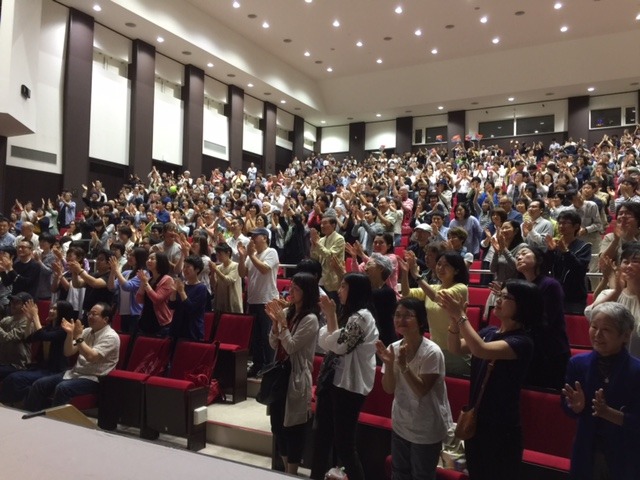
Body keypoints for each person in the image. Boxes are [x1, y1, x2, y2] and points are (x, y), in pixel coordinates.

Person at [440, 279, 541, 480]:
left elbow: (481, 350)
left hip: (501, 427)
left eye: (506, 297)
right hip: (477, 422)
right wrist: (453, 320)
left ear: (523, 305)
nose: (498, 300)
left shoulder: (522, 341)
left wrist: (461, 316)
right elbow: (455, 348)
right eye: (499, 295)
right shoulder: (489, 332)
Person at [310, 273, 379, 480]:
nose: (339, 291)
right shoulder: (348, 313)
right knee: (322, 438)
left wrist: (331, 317)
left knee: (344, 445)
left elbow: (339, 345)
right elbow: (325, 340)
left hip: (350, 386)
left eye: (343, 287)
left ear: (355, 290)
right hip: (333, 381)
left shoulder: (362, 317)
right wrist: (332, 320)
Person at [376, 297, 453, 480]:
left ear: (421, 321)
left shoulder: (432, 352)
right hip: (401, 423)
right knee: (399, 473)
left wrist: (403, 366)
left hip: (427, 426)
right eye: (397, 315)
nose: (401, 320)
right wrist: (389, 365)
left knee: (422, 475)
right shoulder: (393, 348)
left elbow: (421, 391)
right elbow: (388, 389)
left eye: (408, 315)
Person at [563, 302, 640, 480]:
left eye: (606, 330)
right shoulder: (578, 364)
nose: (597, 335)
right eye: (594, 327)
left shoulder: (636, 371)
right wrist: (575, 407)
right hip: (586, 451)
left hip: (625, 454)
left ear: (625, 335)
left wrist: (609, 414)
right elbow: (567, 405)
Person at [264, 273, 320, 475]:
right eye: (291, 286)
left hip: (296, 376)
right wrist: (275, 324)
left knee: (293, 428)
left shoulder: (311, 319)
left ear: (307, 292)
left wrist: (283, 325)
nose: (291, 291)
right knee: (277, 426)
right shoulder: (288, 312)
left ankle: (292, 473)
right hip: (280, 373)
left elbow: (291, 346)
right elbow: (274, 344)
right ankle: (286, 470)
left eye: (296, 288)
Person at [24, 302, 120, 411]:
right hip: (76, 373)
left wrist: (78, 337)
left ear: (105, 319)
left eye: (94, 314)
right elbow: (68, 352)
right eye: (89, 313)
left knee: (63, 388)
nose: (89, 316)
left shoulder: (111, 337)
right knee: (40, 384)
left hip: (94, 379)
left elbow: (91, 357)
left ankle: (55, 420)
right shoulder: (87, 331)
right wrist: (70, 334)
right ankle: (31, 415)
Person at [400, 251, 470, 375]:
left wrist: (417, 276)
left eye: (446, 265)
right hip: (435, 348)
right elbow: (406, 294)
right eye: (439, 264)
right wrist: (405, 273)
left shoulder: (461, 288)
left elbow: (438, 298)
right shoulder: (433, 288)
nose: (440, 268)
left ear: (456, 270)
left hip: (455, 349)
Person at [515, 246, 571, 389]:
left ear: (538, 259)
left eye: (524, 253)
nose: (519, 257)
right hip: (529, 349)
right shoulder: (520, 287)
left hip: (550, 352)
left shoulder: (550, 285)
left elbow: (545, 321)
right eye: (517, 256)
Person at [0, 300, 74, 404]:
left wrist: (35, 316)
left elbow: (44, 336)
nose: (51, 311)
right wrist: (29, 320)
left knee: (16, 378)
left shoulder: (64, 331)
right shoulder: (49, 327)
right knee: (12, 378)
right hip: (41, 367)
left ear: (63, 312)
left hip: (55, 370)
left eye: (55, 309)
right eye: (51, 308)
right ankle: (9, 404)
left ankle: (19, 404)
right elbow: (28, 339)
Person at [585, 243, 640, 358]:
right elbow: (592, 316)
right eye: (625, 262)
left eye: (635, 261)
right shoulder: (610, 294)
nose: (629, 266)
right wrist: (617, 291)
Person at [238, 228, 280, 377]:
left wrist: (250, 255)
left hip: (267, 300)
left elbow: (264, 269)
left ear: (265, 238)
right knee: (255, 337)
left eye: (256, 236)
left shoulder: (271, 252)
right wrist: (242, 257)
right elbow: (242, 273)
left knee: (267, 336)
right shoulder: (252, 255)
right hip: (253, 300)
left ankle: (269, 367)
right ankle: (257, 365)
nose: (252, 239)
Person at [544, 210, 591, 314]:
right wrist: (550, 251)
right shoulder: (555, 244)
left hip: (574, 298)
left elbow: (579, 269)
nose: (561, 226)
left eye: (565, 223)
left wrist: (566, 252)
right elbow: (545, 267)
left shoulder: (584, 246)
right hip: (554, 294)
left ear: (576, 226)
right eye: (559, 223)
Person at [107, 247, 147, 334]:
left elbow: (128, 287)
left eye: (133, 255)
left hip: (136, 314)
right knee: (124, 337)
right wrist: (113, 272)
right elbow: (111, 287)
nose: (129, 257)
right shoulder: (126, 273)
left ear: (140, 257)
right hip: (123, 312)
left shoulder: (144, 273)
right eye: (129, 255)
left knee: (133, 338)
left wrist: (117, 270)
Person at [135, 252, 175, 336]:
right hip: (145, 320)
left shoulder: (167, 279)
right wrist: (143, 283)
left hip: (160, 323)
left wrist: (145, 283)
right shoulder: (149, 279)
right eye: (148, 259)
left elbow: (157, 299)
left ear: (160, 261)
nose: (149, 261)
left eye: (152, 259)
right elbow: (139, 300)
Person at [169, 255, 207, 341]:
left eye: (188, 267)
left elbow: (191, 309)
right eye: (184, 267)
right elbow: (172, 306)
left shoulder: (201, 288)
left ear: (197, 269)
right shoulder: (182, 285)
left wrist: (182, 292)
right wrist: (173, 292)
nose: (185, 270)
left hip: (192, 330)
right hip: (177, 328)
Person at [365, 253, 398, 348]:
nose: (365, 268)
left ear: (380, 268)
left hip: (384, 343)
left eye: (369, 264)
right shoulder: (370, 290)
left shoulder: (387, 292)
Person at [310, 216, 345, 304]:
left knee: (334, 305)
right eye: (321, 223)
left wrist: (317, 244)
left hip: (333, 278)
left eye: (325, 223)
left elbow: (330, 255)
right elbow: (314, 258)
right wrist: (313, 245)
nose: (322, 226)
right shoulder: (321, 240)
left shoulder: (339, 238)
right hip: (321, 277)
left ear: (333, 225)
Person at [0, 292, 34, 381]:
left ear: (26, 306)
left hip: (18, 365)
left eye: (17, 302)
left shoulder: (28, 323)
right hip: (3, 362)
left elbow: (7, 338)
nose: (13, 304)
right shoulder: (7, 320)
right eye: (12, 302)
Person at [210, 243, 243, 313]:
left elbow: (228, 281)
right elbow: (213, 285)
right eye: (217, 255)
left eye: (220, 254)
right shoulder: (218, 267)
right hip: (220, 302)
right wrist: (212, 273)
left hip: (232, 303)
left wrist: (216, 270)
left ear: (228, 253)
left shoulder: (235, 266)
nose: (218, 257)